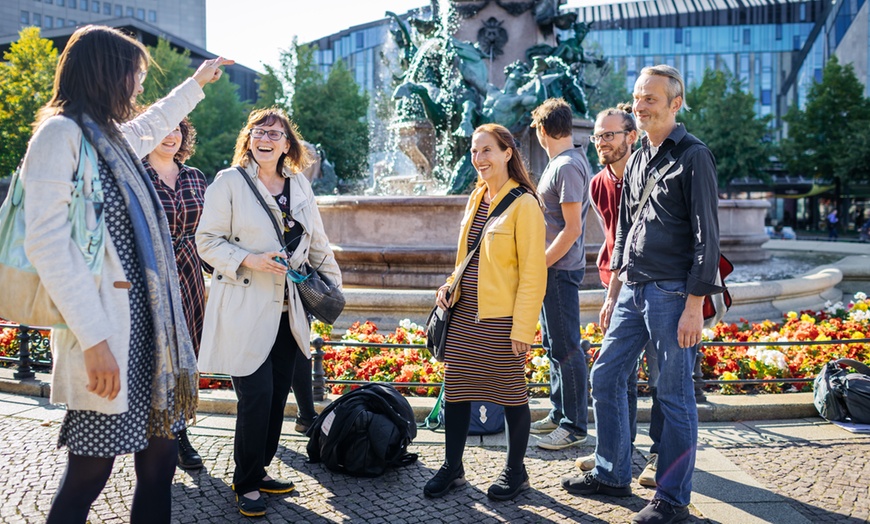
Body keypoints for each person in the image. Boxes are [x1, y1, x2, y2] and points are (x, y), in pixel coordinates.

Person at [20, 25, 229, 524]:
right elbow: (47, 244)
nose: (138, 87)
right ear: (105, 74)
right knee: (90, 472)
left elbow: (155, 121)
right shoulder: (60, 134)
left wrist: (197, 83)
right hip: (107, 336)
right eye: (134, 76)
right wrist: (94, 341)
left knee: (159, 466)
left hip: (151, 339)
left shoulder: (110, 137)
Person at [561, 65, 723, 524]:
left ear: (676, 103)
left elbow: (707, 238)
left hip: (674, 293)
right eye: (637, 97)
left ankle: (672, 499)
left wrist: (695, 305)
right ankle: (612, 474)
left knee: (673, 396)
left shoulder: (694, 156)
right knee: (606, 377)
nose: (641, 105)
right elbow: (625, 232)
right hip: (632, 289)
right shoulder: (635, 160)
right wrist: (613, 291)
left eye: (651, 98)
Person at [195, 108, 341, 518]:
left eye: (276, 133)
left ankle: (259, 470)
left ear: (287, 144)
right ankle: (244, 483)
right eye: (259, 131)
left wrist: (334, 290)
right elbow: (205, 240)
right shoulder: (228, 183)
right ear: (248, 139)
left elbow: (318, 242)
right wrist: (249, 260)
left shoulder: (298, 184)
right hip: (246, 304)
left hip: (289, 308)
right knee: (255, 395)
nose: (267, 138)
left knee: (277, 396)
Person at [424, 123, 546, 501]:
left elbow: (533, 273)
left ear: (507, 153)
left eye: (487, 151)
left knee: (511, 396)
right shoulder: (476, 197)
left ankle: (516, 471)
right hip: (463, 314)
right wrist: (449, 285)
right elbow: (466, 257)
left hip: (501, 320)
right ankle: (453, 467)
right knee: (457, 392)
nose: (479, 159)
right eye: (474, 152)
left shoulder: (525, 204)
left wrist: (523, 328)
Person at [579, 103, 660, 489]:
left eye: (609, 135)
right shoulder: (597, 184)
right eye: (597, 136)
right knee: (617, 373)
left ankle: (660, 455)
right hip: (618, 282)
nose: (601, 142)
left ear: (631, 136)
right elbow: (615, 238)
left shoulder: (649, 171)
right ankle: (618, 452)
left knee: (662, 376)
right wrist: (611, 291)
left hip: (656, 283)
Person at [142, 117, 207, 470]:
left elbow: (210, 229)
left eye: (177, 129)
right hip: (152, 278)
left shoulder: (195, 176)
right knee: (156, 357)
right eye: (163, 127)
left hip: (191, 274)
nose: (171, 134)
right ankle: (153, 433)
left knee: (186, 355)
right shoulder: (137, 175)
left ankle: (179, 432)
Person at [527, 98, 591, 450]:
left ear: (541, 130)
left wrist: (540, 264)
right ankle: (558, 412)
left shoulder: (566, 166)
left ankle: (574, 425)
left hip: (558, 270)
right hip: (555, 269)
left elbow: (570, 230)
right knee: (555, 345)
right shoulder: (566, 162)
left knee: (566, 346)